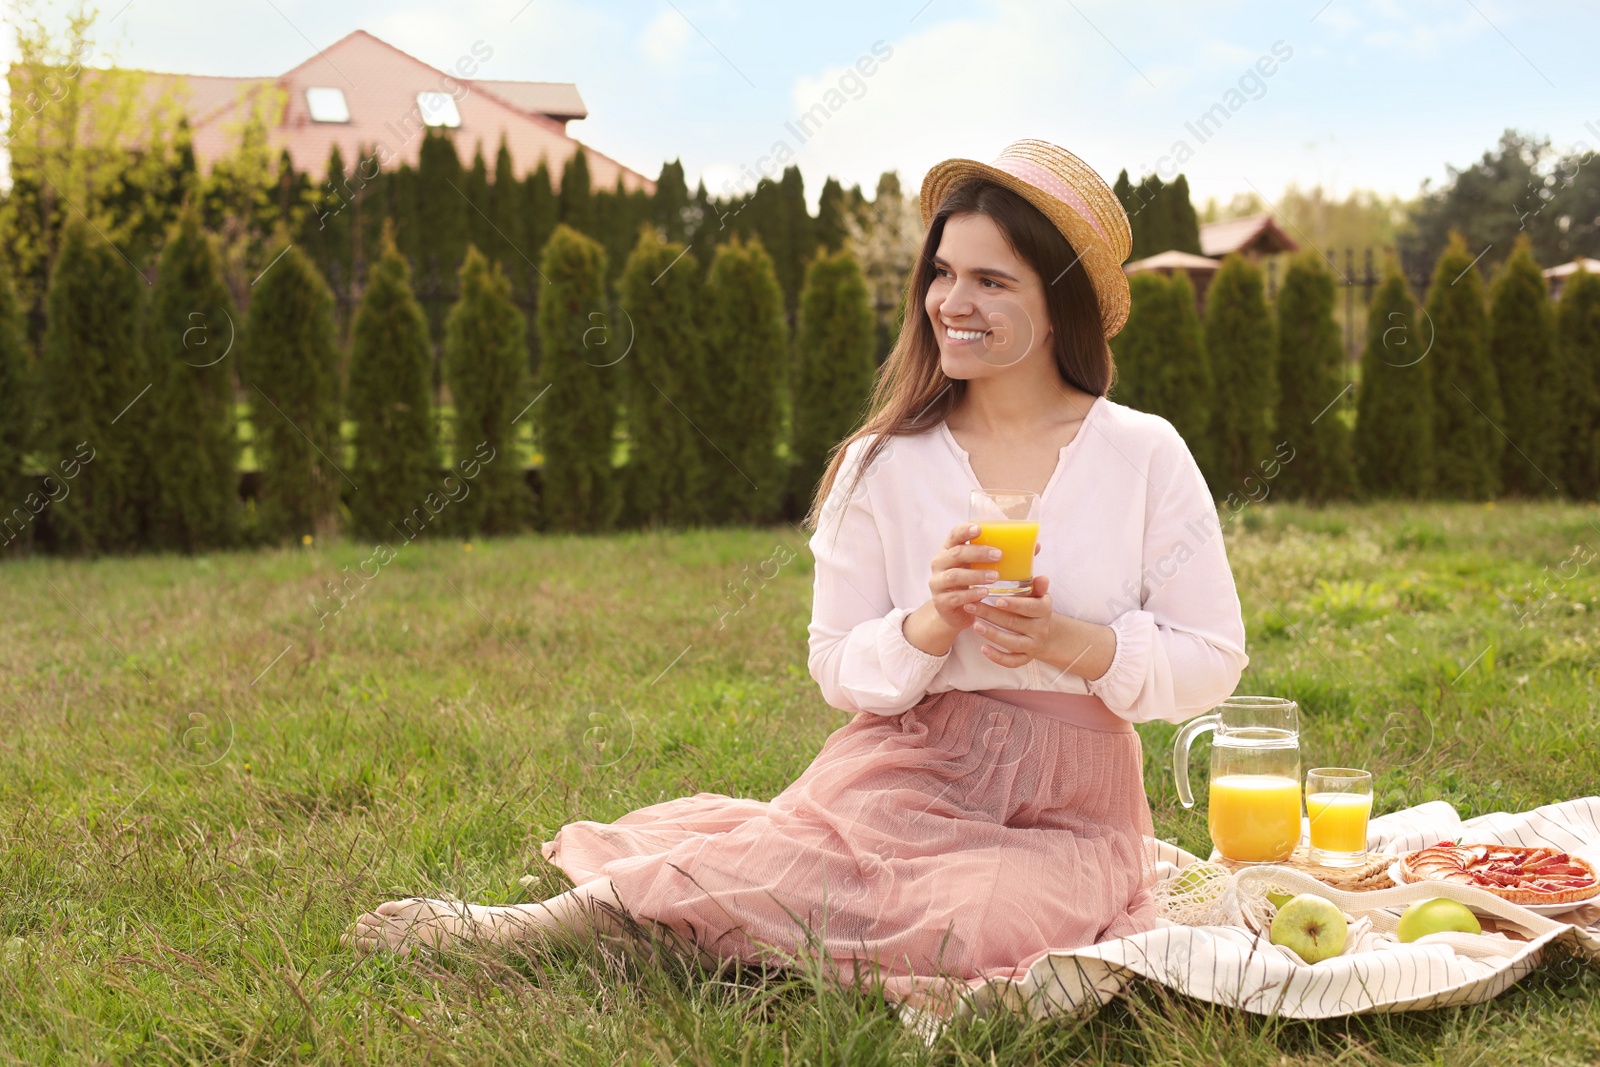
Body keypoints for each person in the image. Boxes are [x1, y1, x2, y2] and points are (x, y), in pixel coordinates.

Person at [344, 139, 1248, 1017]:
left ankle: (701, 923)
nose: (950, 301)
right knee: (798, 862)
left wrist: (1073, 644)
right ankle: (559, 921)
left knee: (975, 925)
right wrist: (930, 622)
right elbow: (834, 663)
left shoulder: (1142, 454)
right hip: (915, 764)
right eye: (941, 272)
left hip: (1073, 807)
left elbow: (1214, 655)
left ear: (1061, 305)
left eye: (991, 280)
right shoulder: (884, 462)